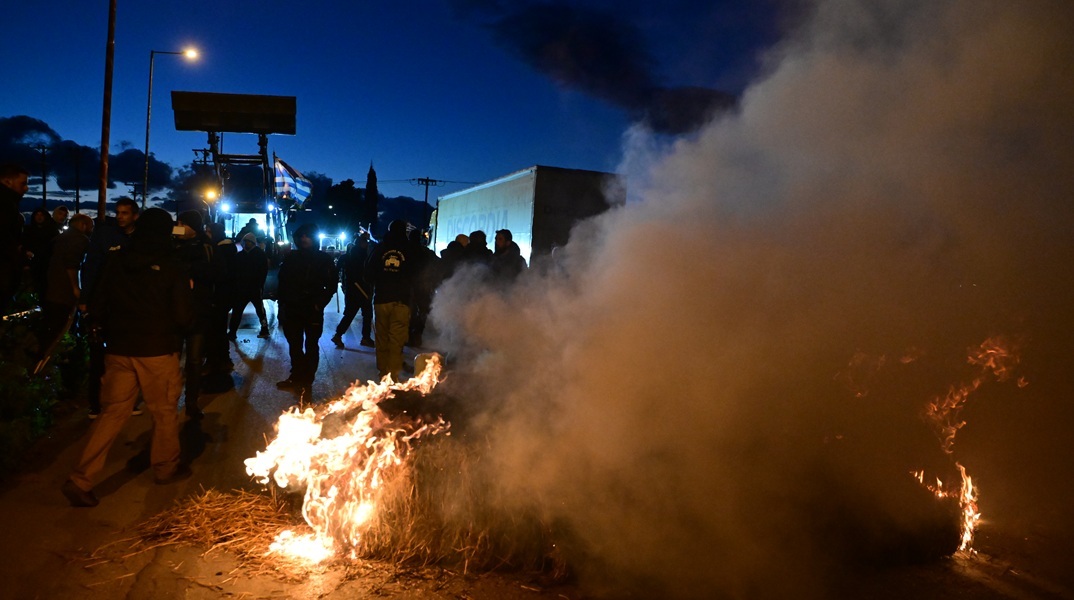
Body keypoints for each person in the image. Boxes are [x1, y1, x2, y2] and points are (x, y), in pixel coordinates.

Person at [61, 208, 194, 508]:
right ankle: (165, 468)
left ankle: (80, 478)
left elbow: (98, 301)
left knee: (112, 413)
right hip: (157, 349)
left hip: (119, 348)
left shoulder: (117, 258)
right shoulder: (172, 265)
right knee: (163, 412)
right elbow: (183, 315)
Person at [80, 197, 139, 418]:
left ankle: (126, 400)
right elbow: (92, 267)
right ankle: (95, 404)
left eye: (125, 213)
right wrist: (85, 298)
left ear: (135, 215)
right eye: (119, 212)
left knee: (127, 355)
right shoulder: (105, 235)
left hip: (127, 305)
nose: (120, 217)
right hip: (104, 303)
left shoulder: (140, 238)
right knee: (98, 356)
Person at [275, 223, 336, 392]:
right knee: (294, 344)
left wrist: (319, 303)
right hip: (292, 307)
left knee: (311, 344)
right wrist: (282, 304)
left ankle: (307, 379)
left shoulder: (324, 259)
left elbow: (331, 285)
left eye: (307, 236)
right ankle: (296, 376)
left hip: (312, 309)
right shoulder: (291, 258)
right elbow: (283, 282)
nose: (304, 239)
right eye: (301, 236)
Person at [365, 219, 415, 382]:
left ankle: (382, 372)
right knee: (396, 339)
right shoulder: (409, 249)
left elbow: (368, 273)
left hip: (382, 299)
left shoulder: (380, 248)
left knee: (382, 337)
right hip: (401, 301)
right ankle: (393, 376)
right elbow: (418, 274)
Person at [175, 210, 214, 417]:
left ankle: (191, 402)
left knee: (194, 360)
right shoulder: (171, 247)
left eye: (183, 223)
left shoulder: (206, 247)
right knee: (171, 361)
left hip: (198, 312)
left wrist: (190, 271)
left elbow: (215, 274)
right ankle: (168, 402)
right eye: (177, 222)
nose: (178, 227)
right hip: (174, 313)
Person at [38, 213, 93, 356]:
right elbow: (72, 264)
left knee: (50, 326)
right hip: (65, 293)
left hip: (51, 290)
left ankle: (43, 355)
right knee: (64, 329)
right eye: (91, 226)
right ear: (83, 225)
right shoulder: (81, 240)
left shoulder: (58, 239)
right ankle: (61, 357)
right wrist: (76, 288)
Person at [331, 233, 375, 349]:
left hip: (351, 290)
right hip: (361, 289)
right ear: (362, 244)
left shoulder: (347, 256)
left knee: (351, 314)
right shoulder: (363, 256)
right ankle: (365, 338)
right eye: (365, 243)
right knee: (366, 314)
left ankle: (338, 335)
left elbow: (337, 270)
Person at [205, 221, 237, 375]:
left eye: (209, 231)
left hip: (219, 295)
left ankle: (216, 361)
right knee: (219, 329)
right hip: (224, 295)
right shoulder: (228, 248)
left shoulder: (220, 251)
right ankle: (223, 359)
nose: (206, 234)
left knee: (214, 330)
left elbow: (218, 274)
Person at [228, 232, 270, 339]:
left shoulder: (242, 255)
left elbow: (262, 272)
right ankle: (233, 332)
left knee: (244, 310)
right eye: (245, 242)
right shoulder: (259, 254)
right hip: (247, 288)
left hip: (251, 288)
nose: (247, 244)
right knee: (246, 310)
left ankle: (233, 332)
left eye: (248, 242)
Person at [0, 163, 29, 312]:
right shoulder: (5, 205)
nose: (26, 188)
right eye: (23, 183)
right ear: (7, 181)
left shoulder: (9, 204)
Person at [407, 228, 440, 347]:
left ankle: (409, 335)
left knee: (410, 312)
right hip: (424, 286)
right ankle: (417, 334)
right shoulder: (426, 252)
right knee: (423, 312)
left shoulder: (405, 252)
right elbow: (437, 264)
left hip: (409, 287)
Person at [20, 207, 59, 298]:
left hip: (46, 264)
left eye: (42, 215)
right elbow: (22, 245)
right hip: (32, 263)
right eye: (37, 214)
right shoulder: (28, 230)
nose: (39, 217)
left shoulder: (52, 231)